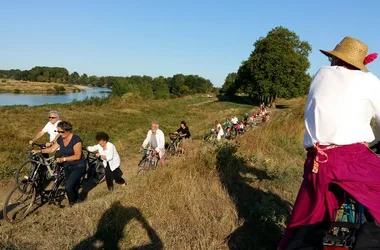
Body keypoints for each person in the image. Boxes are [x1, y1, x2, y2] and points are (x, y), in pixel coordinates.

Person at [278, 37, 380, 250]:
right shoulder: (370, 81)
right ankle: (368, 242)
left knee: (312, 215)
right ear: (360, 63)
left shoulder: (320, 75)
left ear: (335, 58)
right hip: (350, 158)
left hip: (316, 160)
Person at [32, 121, 86, 206]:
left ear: (68, 130)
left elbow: (77, 156)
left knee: (68, 187)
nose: (60, 133)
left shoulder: (76, 140)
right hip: (67, 165)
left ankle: (72, 203)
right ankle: (76, 199)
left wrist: (63, 159)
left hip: (78, 165)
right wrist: (39, 151)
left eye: (62, 131)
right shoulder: (60, 139)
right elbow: (52, 149)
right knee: (72, 184)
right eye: (58, 131)